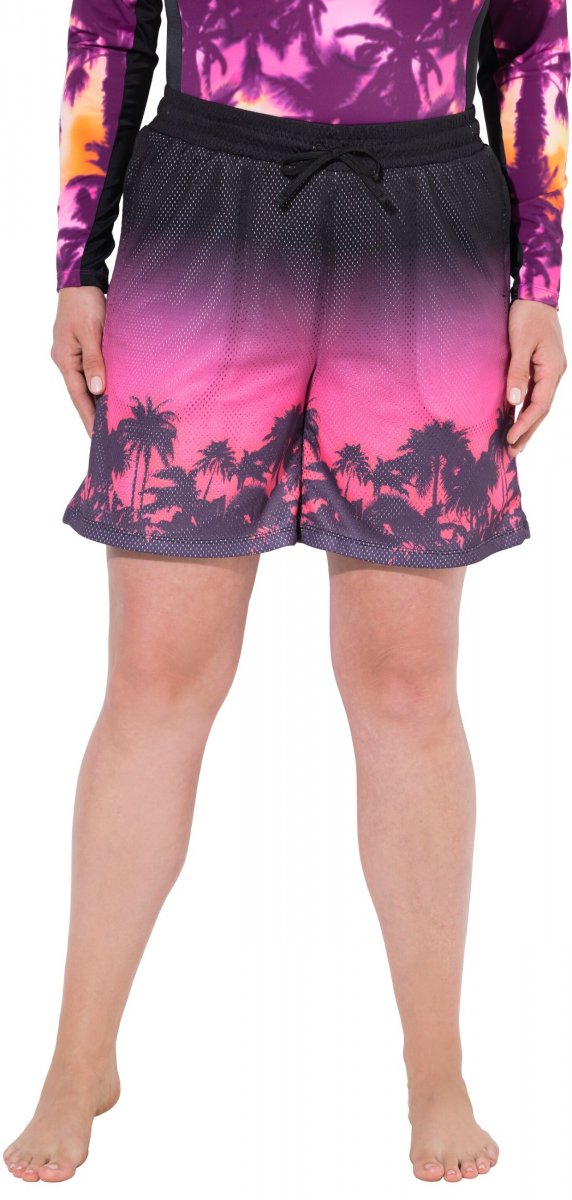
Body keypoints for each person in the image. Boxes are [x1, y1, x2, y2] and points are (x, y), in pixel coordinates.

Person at [4, 0, 569, 1186]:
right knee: (154, 678)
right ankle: (76, 1055)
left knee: (406, 685)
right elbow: (109, 26)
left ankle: (435, 1068)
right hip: (202, 210)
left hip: (426, 221)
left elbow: (533, 39)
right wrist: (76, 264)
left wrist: (539, 280)